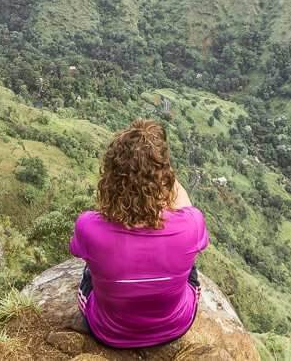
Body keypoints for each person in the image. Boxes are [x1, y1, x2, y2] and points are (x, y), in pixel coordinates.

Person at [69, 119, 210, 348]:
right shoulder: (192, 224)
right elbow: (185, 208)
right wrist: (163, 176)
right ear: (165, 179)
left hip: (109, 332)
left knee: (90, 268)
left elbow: (77, 251)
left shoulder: (88, 226)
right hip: (175, 326)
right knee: (190, 261)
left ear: (110, 178)